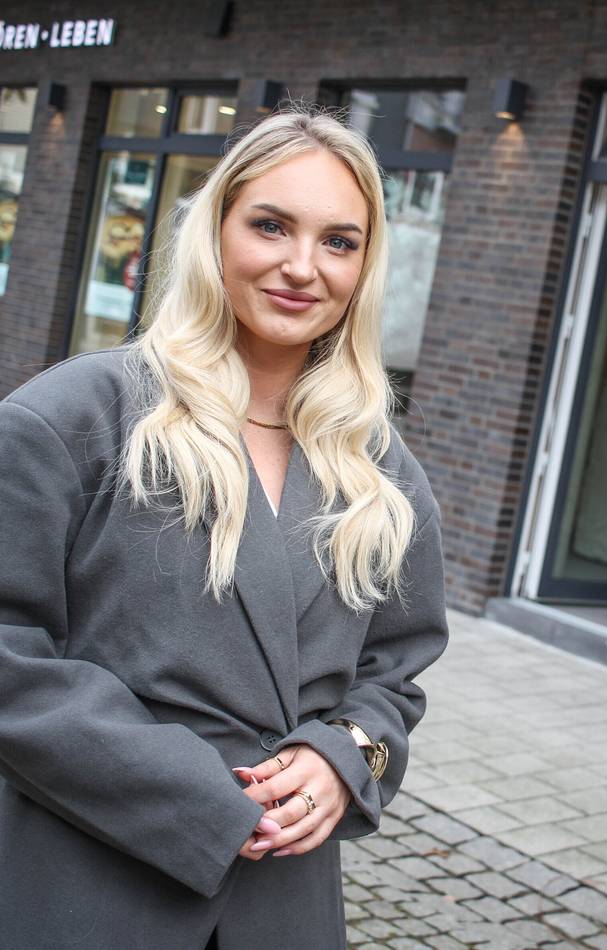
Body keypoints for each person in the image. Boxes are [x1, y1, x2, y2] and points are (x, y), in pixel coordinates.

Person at [0, 106, 448, 950]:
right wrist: (194, 796)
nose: (302, 266)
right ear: (215, 232)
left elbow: (394, 678)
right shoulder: (75, 418)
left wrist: (345, 756)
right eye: (271, 226)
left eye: (339, 241)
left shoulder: (382, 471)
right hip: (88, 881)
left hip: (285, 904)